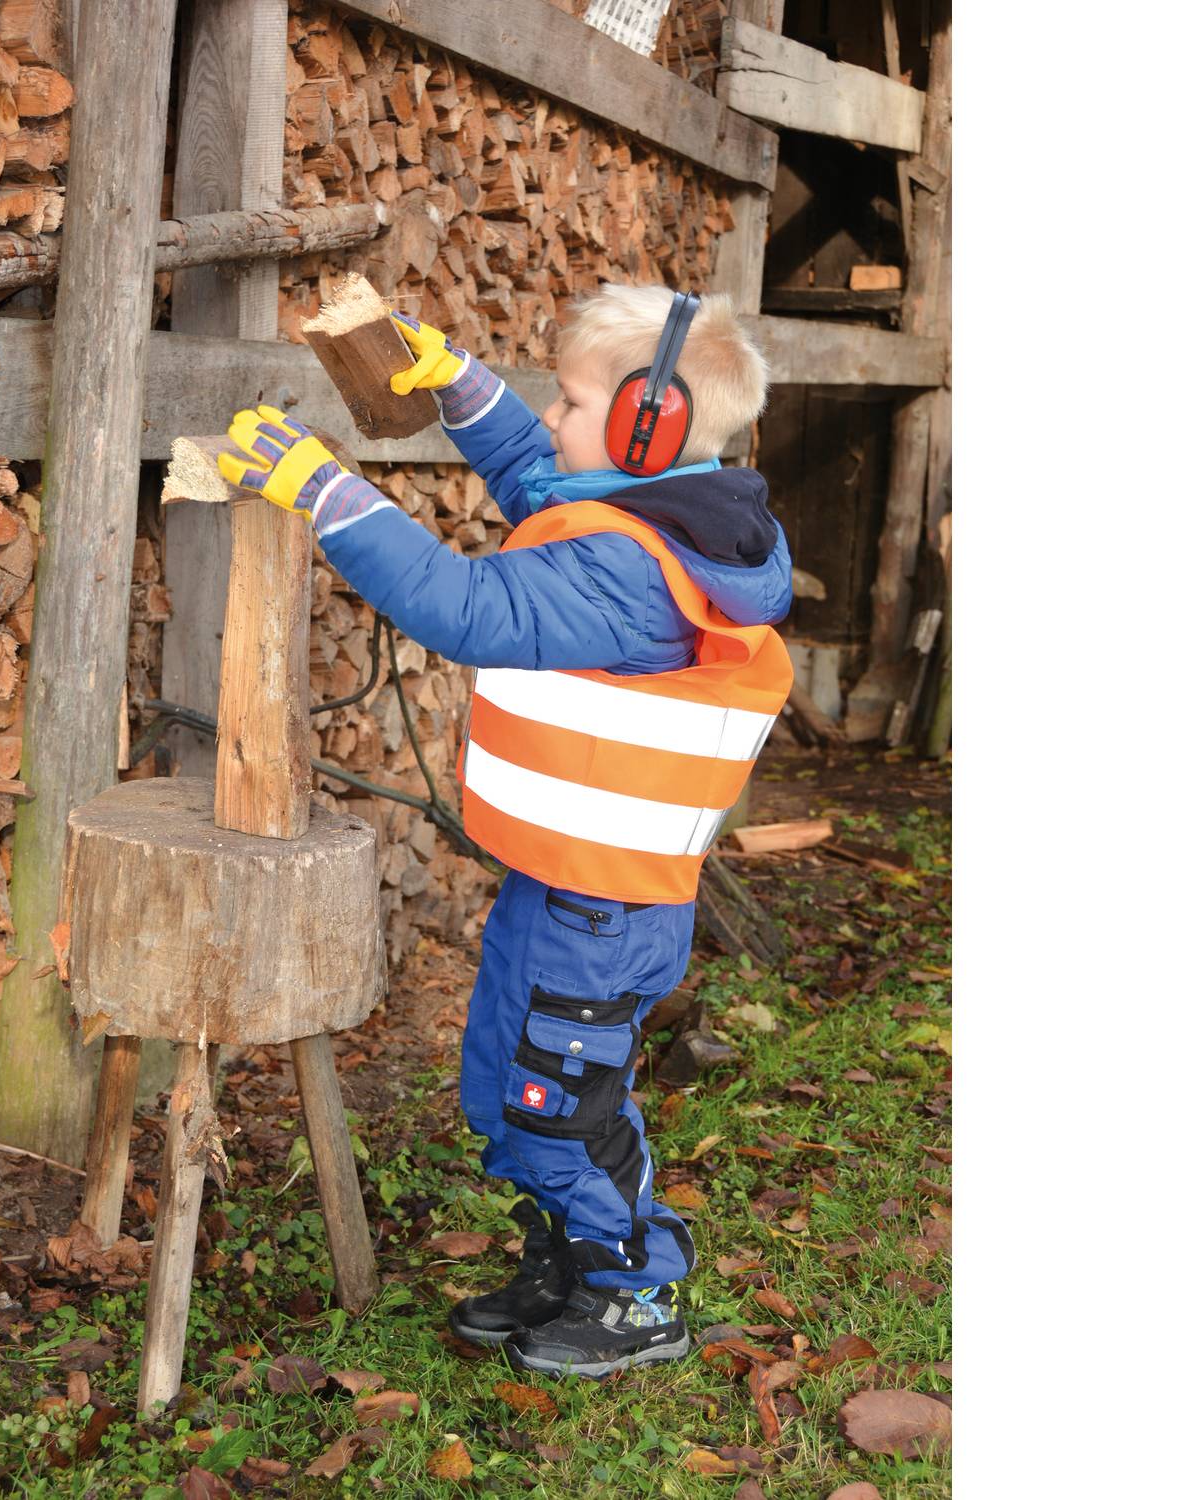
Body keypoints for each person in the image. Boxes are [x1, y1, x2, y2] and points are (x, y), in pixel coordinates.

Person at [217, 283, 793, 1377]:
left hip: (602, 911)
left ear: (648, 423)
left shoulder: (635, 573)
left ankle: (635, 1288)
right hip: (569, 889)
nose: (555, 418)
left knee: (564, 1108)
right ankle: (563, 1261)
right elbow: (543, 477)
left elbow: (466, 607)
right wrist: (462, 391)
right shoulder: (661, 509)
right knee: (507, 1086)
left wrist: (326, 493)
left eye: (568, 400)